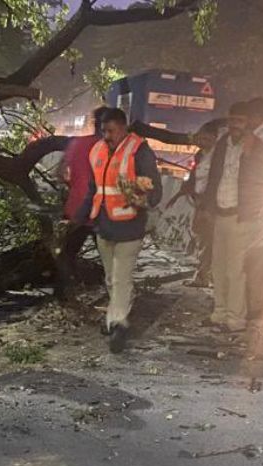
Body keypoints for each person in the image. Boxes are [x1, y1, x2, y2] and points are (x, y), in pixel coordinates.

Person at [75, 108, 162, 353]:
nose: (107, 135)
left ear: (124, 128)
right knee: (111, 278)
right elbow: (94, 190)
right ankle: (115, 317)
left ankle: (118, 324)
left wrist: (143, 198)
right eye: (104, 130)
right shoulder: (98, 151)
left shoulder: (139, 151)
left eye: (111, 131)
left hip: (130, 225)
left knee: (121, 277)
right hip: (104, 225)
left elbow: (154, 191)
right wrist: (78, 218)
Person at [202, 101, 263, 333]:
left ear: (248, 122)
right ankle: (219, 313)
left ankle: (235, 319)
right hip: (220, 213)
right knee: (218, 268)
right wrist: (207, 207)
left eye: (239, 121)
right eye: (231, 120)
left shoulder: (258, 147)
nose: (234, 125)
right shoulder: (223, 144)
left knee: (235, 270)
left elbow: (260, 181)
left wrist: (249, 153)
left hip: (241, 217)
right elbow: (213, 176)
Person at [56, 107, 108, 296]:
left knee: (67, 253)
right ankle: (113, 297)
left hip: (76, 208)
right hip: (103, 212)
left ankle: (64, 292)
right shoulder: (112, 149)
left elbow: (60, 173)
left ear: (94, 124)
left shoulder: (77, 143)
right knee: (109, 257)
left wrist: (74, 185)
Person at [176, 120, 222, 288]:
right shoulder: (200, 155)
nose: (202, 141)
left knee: (209, 240)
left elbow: (215, 181)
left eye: (206, 138)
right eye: (200, 138)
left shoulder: (218, 157)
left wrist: (206, 206)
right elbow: (194, 176)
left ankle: (205, 276)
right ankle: (203, 274)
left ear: (215, 138)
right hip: (199, 200)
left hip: (211, 204)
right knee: (201, 238)